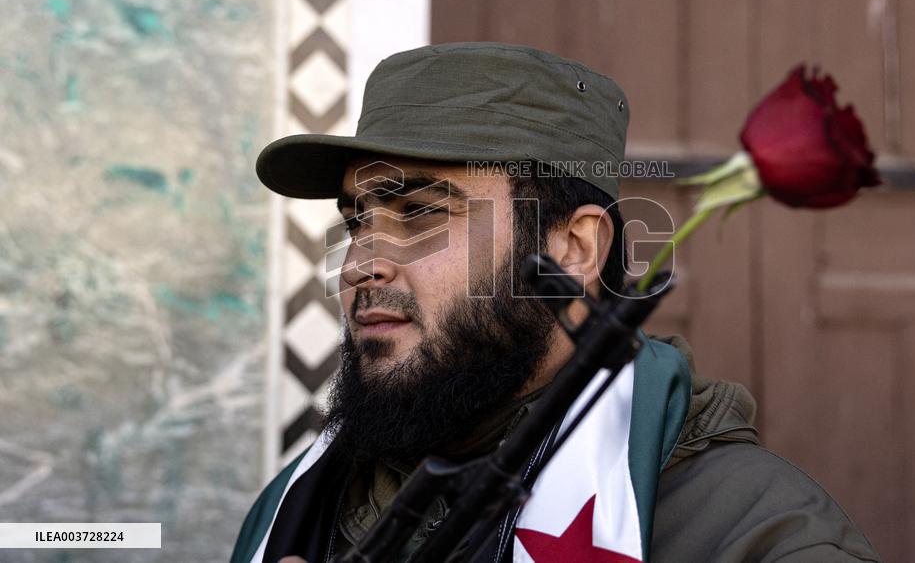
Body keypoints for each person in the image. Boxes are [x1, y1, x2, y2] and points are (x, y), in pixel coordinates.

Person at [232, 42, 881, 562]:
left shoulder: (750, 532)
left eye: (422, 214)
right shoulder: (297, 507)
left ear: (574, 250)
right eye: (357, 221)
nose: (358, 265)